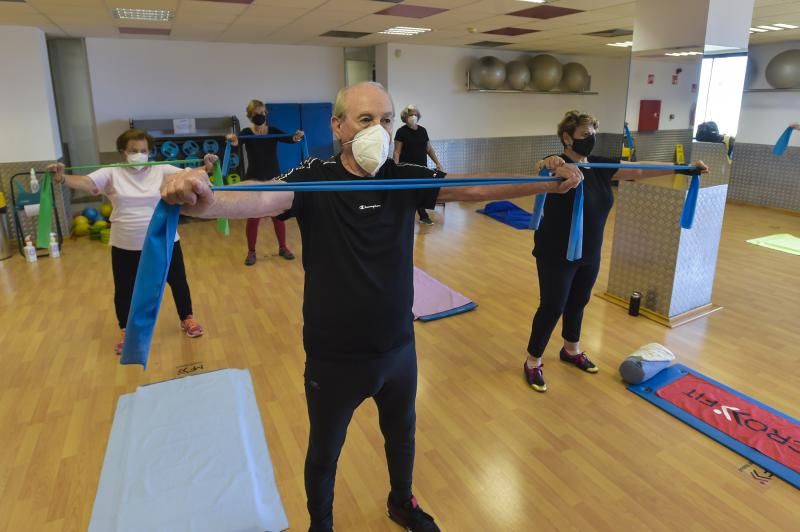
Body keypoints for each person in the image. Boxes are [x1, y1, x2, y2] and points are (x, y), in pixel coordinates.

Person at [160, 82, 583, 532]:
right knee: (325, 452)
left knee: (402, 437)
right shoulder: (314, 177)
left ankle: (401, 503)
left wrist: (548, 183)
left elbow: (470, 188)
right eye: (365, 120)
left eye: (386, 120)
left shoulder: (404, 176)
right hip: (334, 355)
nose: (378, 130)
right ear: (338, 126)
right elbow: (260, 195)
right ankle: (320, 526)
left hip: (398, 348)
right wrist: (201, 198)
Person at [523, 110, 708, 393]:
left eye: (593, 134)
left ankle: (571, 350)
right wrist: (550, 163)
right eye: (585, 135)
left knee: (579, 301)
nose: (591, 139)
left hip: (590, 251)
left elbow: (639, 170)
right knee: (552, 306)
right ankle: (533, 361)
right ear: (566, 137)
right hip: (555, 252)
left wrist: (683, 168)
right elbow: (545, 165)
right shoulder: (557, 164)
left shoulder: (599, 166)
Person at [49, 128, 213, 353]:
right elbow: (87, 183)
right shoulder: (112, 172)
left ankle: (188, 318)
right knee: (125, 289)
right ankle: (126, 330)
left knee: (178, 281)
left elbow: (191, 175)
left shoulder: (162, 169)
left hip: (164, 238)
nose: (139, 154)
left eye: (144, 150)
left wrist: (207, 166)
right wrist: (62, 177)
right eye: (134, 150)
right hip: (125, 242)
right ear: (123, 152)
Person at [227, 99, 304, 265]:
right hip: (254, 179)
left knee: (278, 215)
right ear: (250, 116)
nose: (260, 116)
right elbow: (237, 142)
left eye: (262, 113)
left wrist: (297, 136)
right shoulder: (247, 132)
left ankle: (283, 247)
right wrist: (233, 140)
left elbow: (290, 139)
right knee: (254, 217)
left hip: (273, 178)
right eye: (256, 114)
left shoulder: (273, 131)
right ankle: (251, 251)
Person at [393, 104, 443, 225]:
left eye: (415, 114)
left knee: (421, 191)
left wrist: (437, 163)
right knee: (410, 192)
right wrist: (394, 167)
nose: (413, 117)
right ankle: (420, 215)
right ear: (405, 117)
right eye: (411, 114)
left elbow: (429, 149)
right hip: (407, 168)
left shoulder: (422, 131)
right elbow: (397, 151)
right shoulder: (401, 132)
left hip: (422, 167)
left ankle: (422, 215)